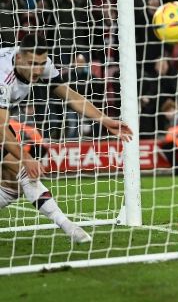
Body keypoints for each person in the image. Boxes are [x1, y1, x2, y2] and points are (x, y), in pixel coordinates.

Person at [0, 34, 133, 243]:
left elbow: (70, 95)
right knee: (21, 170)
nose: (37, 70)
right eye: (32, 64)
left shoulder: (42, 65)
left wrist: (105, 120)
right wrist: (25, 158)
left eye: (41, 64)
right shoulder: (3, 73)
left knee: (11, 185)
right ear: (18, 58)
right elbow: (1, 127)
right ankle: (69, 227)